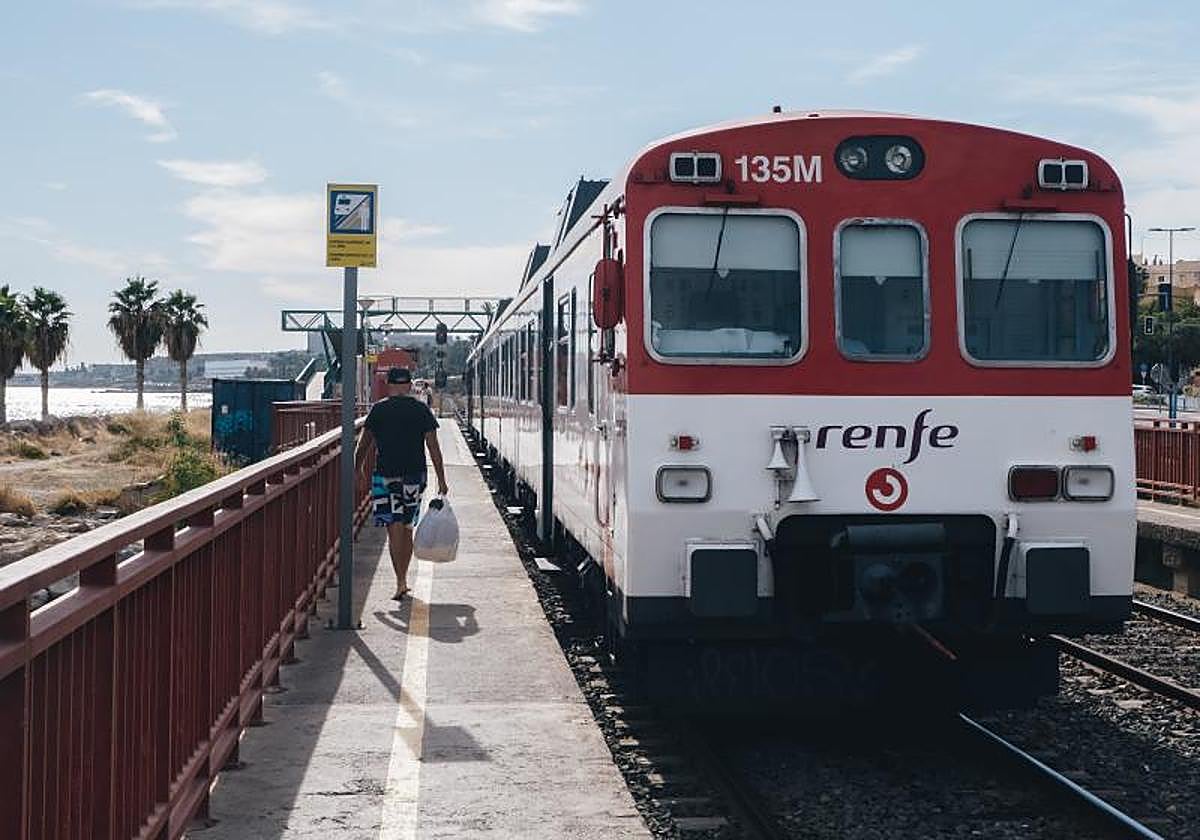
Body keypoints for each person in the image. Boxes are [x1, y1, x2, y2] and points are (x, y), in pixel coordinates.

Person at [356, 366, 449, 600]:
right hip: (414, 476)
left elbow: (363, 444)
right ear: (408, 385)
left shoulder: (378, 410)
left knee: (393, 527)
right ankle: (403, 579)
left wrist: (356, 469)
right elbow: (433, 447)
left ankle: (400, 581)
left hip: (385, 476)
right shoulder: (420, 410)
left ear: (389, 384)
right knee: (407, 526)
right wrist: (442, 479)